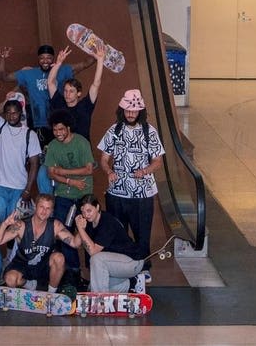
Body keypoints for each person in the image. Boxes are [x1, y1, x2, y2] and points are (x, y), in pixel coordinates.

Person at [97, 89, 166, 274]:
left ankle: (144, 268)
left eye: (134, 111)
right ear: (122, 110)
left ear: (140, 112)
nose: (130, 114)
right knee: (118, 233)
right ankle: (121, 268)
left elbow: (158, 161)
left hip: (142, 194)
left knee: (142, 232)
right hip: (117, 193)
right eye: (127, 110)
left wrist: (145, 171)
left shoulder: (149, 131)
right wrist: (108, 171)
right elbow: (103, 159)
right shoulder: (114, 130)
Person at [45, 111, 96, 281]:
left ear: (68, 128)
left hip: (84, 197)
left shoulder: (81, 142)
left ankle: (90, 271)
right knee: (64, 233)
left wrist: (63, 171)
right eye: (55, 130)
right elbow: (51, 174)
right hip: (64, 195)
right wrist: (71, 181)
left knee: (87, 232)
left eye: (61, 129)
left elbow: (89, 169)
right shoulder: (52, 146)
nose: (58, 133)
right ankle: (73, 272)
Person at [0, 193, 78, 293]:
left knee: (59, 258)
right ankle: (28, 284)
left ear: (52, 211)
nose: (44, 211)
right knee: (10, 279)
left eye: (48, 208)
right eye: (41, 207)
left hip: (43, 265)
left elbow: (75, 243)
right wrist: (5, 224)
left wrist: (81, 228)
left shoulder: (55, 225)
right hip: (23, 264)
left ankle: (51, 294)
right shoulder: (21, 225)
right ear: (35, 207)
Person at [0, 94, 41, 222]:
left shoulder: (30, 134)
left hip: (19, 187)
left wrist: (28, 190)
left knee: (15, 226)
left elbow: (34, 164)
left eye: (14, 113)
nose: (11, 116)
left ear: (20, 113)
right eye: (8, 113)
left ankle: (12, 243)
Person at [75, 193, 151, 293]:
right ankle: (133, 283)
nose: (86, 215)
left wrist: (81, 229)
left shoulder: (107, 222)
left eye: (89, 210)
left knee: (97, 259)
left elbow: (93, 252)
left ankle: (99, 303)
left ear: (97, 207)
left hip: (132, 262)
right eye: (83, 212)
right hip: (116, 264)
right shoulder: (88, 221)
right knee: (94, 286)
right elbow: (75, 243)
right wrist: (79, 227)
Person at [48, 43, 106, 140]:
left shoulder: (86, 105)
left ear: (79, 93)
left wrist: (100, 60)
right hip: (63, 150)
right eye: (65, 91)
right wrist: (58, 64)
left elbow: (96, 84)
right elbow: (50, 83)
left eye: (71, 91)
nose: (67, 94)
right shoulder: (59, 103)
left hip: (83, 151)